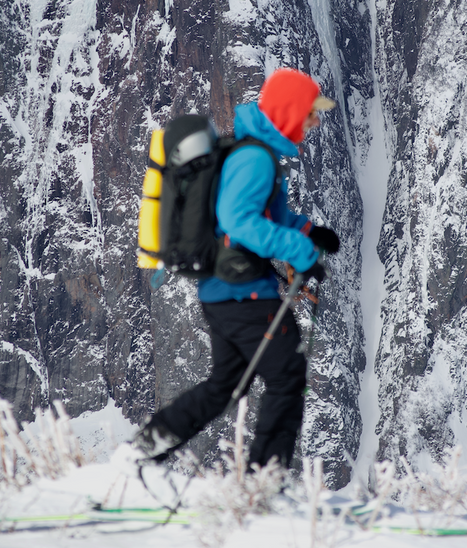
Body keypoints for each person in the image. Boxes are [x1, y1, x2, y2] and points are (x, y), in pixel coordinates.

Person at [132, 68, 340, 469]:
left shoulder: (256, 152)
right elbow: (239, 220)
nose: (315, 122)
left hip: (223, 292)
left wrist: (311, 232)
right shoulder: (255, 159)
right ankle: (265, 479)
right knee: (287, 376)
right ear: (289, 114)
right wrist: (300, 252)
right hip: (243, 292)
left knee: (225, 385)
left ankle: (141, 449)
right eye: (310, 114)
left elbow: (270, 216)